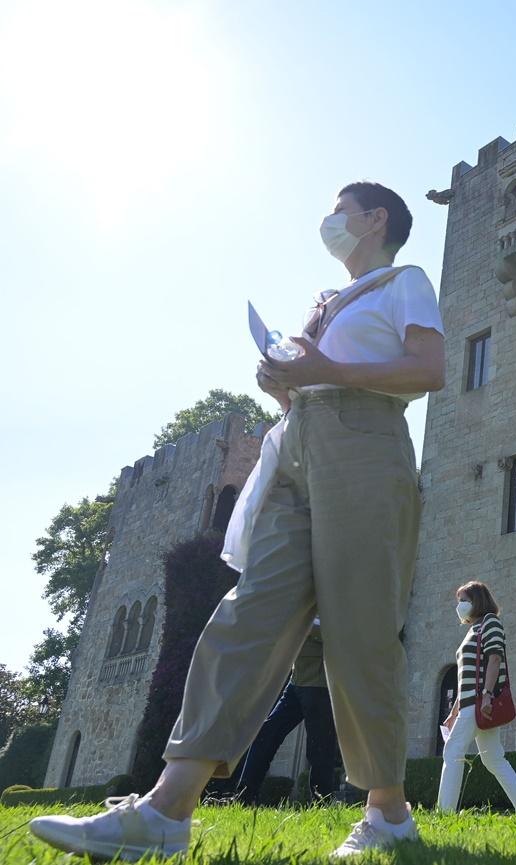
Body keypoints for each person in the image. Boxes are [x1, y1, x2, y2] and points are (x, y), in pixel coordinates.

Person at [29, 182, 446, 860]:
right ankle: (168, 808)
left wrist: (327, 367)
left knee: (360, 632)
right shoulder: (323, 301)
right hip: (295, 451)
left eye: (342, 208)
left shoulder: (404, 282)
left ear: (375, 220)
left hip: (365, 449)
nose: (331, 219)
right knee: (247, 611)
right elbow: (316, 375)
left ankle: (388, 812)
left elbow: (430, 368)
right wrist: (286, 380)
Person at [437, 581, 516, 818]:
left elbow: (494, 659)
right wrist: (454, 711)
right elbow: (467, 676)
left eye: (463, 600)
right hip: (472, 705)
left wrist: (488, 695)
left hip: (480, 703)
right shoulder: (472, 630)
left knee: (453, 752)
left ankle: (445, 815)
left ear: (477, 600)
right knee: (493, 759)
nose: (459, 606)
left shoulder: (491, 622)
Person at [236, 622, 338, 804]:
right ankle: (244, 797)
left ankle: (323, 802)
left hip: (319, 683)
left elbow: (342, 633)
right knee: (266, 733)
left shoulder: (336, 599)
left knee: (319, 748)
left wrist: (302, 627)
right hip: (296, 681)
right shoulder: (305, 596)